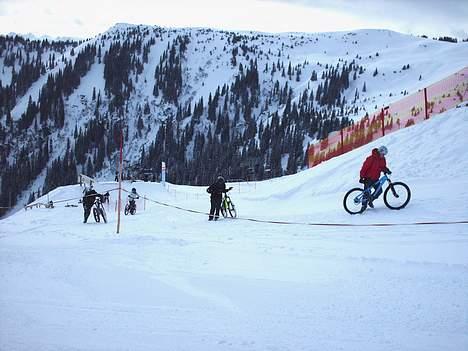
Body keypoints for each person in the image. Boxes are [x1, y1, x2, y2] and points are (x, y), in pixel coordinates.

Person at [359, 145, 391, 212]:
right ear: (380, 152)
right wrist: (362, 177)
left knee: (379, 191)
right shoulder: (371, 158)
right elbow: (364, 168)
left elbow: (382, 166)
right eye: (383, 154)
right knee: (367, 192)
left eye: (384, 154)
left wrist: (386, 170)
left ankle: (370, 201)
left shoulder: (382, 159)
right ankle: (363, 206)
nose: (383, 155)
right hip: (368, 178)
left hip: (376, 178)